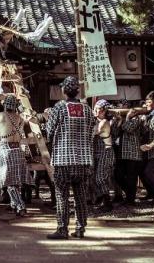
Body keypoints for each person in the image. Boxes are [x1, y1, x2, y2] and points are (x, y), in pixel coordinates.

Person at [46, 76, 94, 239]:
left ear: (64, 91)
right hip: (83, 160)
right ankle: (80, 229)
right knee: (81, 196)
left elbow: (49, 132)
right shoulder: (87, 109)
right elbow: (90, 131)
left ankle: (62, 229)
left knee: (62, 196)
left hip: (63, 159)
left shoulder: (59, 107)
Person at [0, 94, 32, 216]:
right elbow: (28, 125)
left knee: (9, 182)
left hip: (6, 150)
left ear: (4, 105)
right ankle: (13, 204)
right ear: (15, 106)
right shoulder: (20, 118)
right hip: (18, 150)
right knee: (16, 181)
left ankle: (21, 206)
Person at [113, 107, 144, 206]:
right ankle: (130, 195)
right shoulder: (120, 119)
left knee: (131, 177)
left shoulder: (137, 118)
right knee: (118, 175)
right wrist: (119, 120)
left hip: (133, 153)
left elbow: (129, 128)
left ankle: (130, 200)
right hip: (121, 153)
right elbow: (115, 133)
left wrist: (127, 118)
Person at [93, 100, 115, 213]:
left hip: (105, 152)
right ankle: (100, 198)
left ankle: (107, 202)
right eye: (96, 109)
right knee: (93, 178)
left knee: (100, 177)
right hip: (97, 152)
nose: (98, 111)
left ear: (105, 111)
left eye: (101, 110)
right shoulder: (96, 121)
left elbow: (94, 132)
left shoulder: (104, 122)